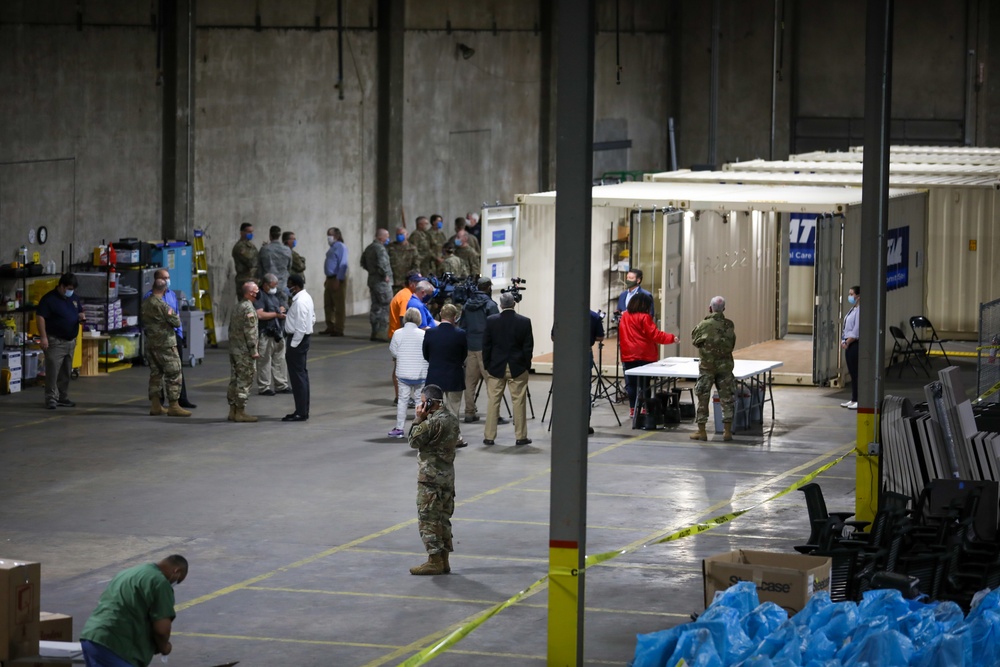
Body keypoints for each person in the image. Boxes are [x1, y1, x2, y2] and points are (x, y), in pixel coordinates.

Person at [79, 554, 188, 667]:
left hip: (92, 637)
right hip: (116, 645)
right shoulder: (160, 582)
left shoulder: (129, 572)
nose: (174, 583)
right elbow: (161, 629)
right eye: (178, 580)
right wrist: (165, 647)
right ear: (177, 571)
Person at [407, 384, 460, 575]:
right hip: (447, 477)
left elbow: (413, 441)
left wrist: (418, 418)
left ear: (430, 403)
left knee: (428, 519)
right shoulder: (452, 419)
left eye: (423, 403)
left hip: (430, 478)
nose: (420, 406)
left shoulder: (430, 424)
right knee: (443, 518)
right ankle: (444, 559)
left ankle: (434, 560)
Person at [482, 292, 534, 446]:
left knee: (493, 402)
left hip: (496, 367)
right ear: (514, 304)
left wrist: (487, 365)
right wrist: (526, 365)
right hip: (517, 367)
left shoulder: (491, 321)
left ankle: (489, 436)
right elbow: (528, 347)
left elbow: (486, 345)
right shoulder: (524, 322)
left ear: (501, 304)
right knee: (518, 402)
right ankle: (520, 436)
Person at [143, 267, 196, 409]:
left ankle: (181, 399)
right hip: (162, 340)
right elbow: (174, 319)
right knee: (170, 372)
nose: (168, 280)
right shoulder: (151, 298)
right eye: (165, 278)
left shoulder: (171, 295)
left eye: (168, 277)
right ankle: (168, 403)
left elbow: (176, 315)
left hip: (173, 337)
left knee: (175, 371)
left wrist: (179, 334)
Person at [619, 292, 678, 418]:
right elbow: (655, 335)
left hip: (628, 354)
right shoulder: (645, 317)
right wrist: (672, 338)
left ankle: (633, 409)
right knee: (644, 384)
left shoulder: (625, 317)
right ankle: (645, 408)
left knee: (631, 384)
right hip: (644, 355)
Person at [690, 295, 737, 441]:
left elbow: (695, 340)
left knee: (703, 397)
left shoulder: (704, 325)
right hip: (725, 367)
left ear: (710, 308)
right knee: (727, 398)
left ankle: (702, 431)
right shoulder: (729, 325)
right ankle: (727, 431)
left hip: (707, 367)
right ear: (724, 308)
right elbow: (732, 343)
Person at [36, 272, 85, 410]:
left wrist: (81, 317)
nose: (71, 291)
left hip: (70, 341)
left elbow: (79, 311)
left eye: (73, 289)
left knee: (66, 371)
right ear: (62, 286)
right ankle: (51, 397)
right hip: (55, 341)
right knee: (53, 371)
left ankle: (62, 396)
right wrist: (43, 337)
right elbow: (40, 317)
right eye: (69, 288)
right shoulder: (49, 299)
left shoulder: (74, 298)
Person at [423, 304, 468, 447]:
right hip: (454, 375)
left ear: (440, 316)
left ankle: (435, 437)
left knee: (434, 409)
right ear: (455, 317)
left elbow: (426, 354)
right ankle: (455, 438)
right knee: (454, 409)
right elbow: (463, 354)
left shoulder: (430, 333)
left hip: (435, 376)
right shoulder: (460, 334)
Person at [458, 277, 500, 423]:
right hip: (486, 349)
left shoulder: (466, 304)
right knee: (492, 382)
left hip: (471, 347)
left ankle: (469, 413)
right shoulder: (490, 305)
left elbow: (462, 326)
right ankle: (494, 414)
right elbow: (496, 327)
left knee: (469, 382)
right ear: (488, 287)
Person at [389, 308, 428, 438]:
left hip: (403, 374)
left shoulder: (398, 333)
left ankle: (399, 428)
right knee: (419, 401)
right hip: (420, 374)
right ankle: (418, 429)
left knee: (402, 400)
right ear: (419, 319)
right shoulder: (423, 335)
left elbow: (393, 351)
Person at [283, 273, 315, 422]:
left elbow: (301, 327)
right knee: (301, 376)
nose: (288, 288)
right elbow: (312, 318)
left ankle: (301, 412)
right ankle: (302, 410)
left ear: (295, 286)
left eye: (289, 285)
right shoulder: (306, 298)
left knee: (298, 378)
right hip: (301, 340)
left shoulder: (300, 302)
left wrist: (293, 345)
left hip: (297, 341)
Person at [228, 281, 260, 423]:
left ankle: (232, 410)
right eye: (256, 290)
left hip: (235, 350)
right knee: (245, 380)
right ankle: (240, 411)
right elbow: (250, 332)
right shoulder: (248, 309)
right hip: (244, 351)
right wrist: (254, 350)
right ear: (250, 293)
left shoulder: (238, 307)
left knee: (234, 380)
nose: (258, 293)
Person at [255, 273, 290, 396]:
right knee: (265, 360)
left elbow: (279, 306)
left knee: (280, 360)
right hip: (265, 333)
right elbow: (259, 314)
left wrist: (280, 309)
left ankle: (281, 385)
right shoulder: (260, 296)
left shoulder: (274, 295)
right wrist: (276, 315)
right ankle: (264, 387)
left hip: (277, 332)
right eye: (272, 286)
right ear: (265, 285)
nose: (274, 288)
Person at [360, 228, 393, 342]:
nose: (388, 238)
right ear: (381, 237)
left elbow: (362, 262)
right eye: (386, 236)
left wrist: (372, 271)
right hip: (382, 282)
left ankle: (374, 331)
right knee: (385, 305)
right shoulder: (380, 249)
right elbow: (382, 263)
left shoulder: (369, 248)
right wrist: (385, 275)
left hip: (372, 280)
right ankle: (382, 332)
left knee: (375, 306)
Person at [322, 227, 349, 336]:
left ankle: (339, 328)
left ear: (336, 236)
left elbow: (343, 264)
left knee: (338, 305)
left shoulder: (341, 247)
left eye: (330, 235)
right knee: (328, 304)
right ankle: (330, 326)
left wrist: (339, 279)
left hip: (337, 278)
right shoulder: (332, 248)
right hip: (329, 278)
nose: (328, 237)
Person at [258, 224, 292, 303]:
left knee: (268, 312)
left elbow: (259, 269)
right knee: (283, 311)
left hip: (268, 286)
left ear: (270, 235)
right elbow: (289, 267)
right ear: (279, 235)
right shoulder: (287, 250)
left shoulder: (264, 249)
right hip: (282, 285)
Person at [841, 285, 860, 410]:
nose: (850, 296)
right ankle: (853, 398)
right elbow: (846, 328)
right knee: (852, 373)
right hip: (848, 344)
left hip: (854, 344)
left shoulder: (860, 311)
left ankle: (858, 399)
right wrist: (843, 340)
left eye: (852, 294)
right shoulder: (852, 309)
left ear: (858, 296)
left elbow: (856, 330)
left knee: (857, 373)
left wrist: (848, 341)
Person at [388, 226, 420, 293]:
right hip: (394, 282)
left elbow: (416, 265)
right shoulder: (390, 248)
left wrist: (410, 279)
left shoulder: (412, 249)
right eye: (397, 234)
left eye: (401, 234)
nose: (399, 236)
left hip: (407, 283)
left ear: (407, 235)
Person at [232, 222, 258, 298]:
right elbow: (251, 262)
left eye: (252, 232)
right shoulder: (240, 247)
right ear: (242, 232)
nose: (251, 234)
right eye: (248, 232)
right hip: (244, 281)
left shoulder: (250, 245)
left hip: (252, 280)